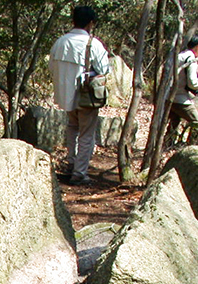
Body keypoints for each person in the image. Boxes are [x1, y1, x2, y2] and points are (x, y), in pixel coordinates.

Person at [48, 5, 110, 184]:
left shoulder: (60, 42)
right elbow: (104, 69)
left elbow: (52, 67)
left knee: (72, 128)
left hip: (65, 96)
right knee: (86, 134)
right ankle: (79, 173)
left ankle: (71, 163)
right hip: (86, 97)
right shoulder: (93, 44)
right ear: (91, 23)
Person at [164, 35, 198, 149]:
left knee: (174, 121)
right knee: (197, 123)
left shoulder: (179, 56)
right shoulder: (190, 59)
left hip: (168, 95)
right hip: (180, 98)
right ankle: (192, 149)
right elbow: (192, 81)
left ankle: (167, 146)